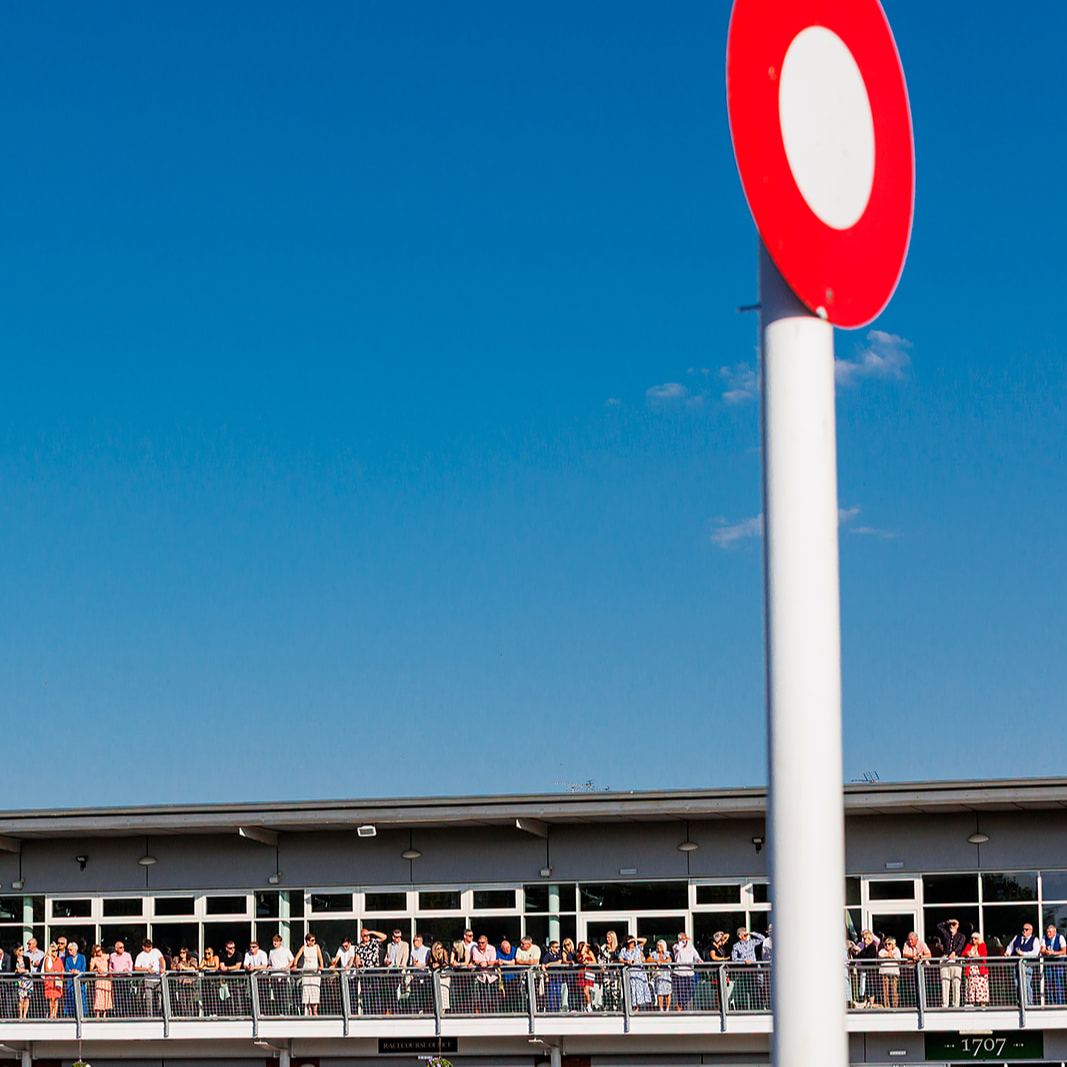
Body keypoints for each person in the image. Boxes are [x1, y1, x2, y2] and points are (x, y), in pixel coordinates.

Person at [1005, 923, 1042, 1006]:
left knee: (1026, 984)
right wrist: (1007, 953)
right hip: (1016, 965)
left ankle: (1028, 1003)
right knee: (1017, 985)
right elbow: (1010, 947)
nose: (1024, 931)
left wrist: (1024, 954)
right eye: (1023, 929)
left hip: (1027, 966)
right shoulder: (1017, 938)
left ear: (1031, 931)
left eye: (1026, 929)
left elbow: (1035, 953)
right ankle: (1020, 1003)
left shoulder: (1034, 940)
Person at [731, 927, 766, 1010]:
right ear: (740, 936)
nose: (746, 936)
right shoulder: (736, 946)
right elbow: (734, 959)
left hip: (753, 967)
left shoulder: (751, 942)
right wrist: (743, 960)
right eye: (744, 934)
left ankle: (757, 1008)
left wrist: (751, 933)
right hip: (744, 968)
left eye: (746, 934)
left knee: (756, 989)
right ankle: (745, 1008)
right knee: (745, 989)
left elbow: (762, 938)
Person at [936, 919, 969, 1008]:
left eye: (954, 924)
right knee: (945, 982)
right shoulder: (946, 934)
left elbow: (960, 945)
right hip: (945, 959)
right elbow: (939, 926)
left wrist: (954, 952)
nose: (951, 926)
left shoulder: (961, 936)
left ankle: (956, 1004)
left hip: (956, 959)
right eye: (950, 925)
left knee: (956, 982)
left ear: (957, 926)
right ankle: (945, 1004)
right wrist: (948, 921)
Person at [292, 933, 324, 1016]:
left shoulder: (316, 947)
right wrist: (295, 965)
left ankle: (315, 1010)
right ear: (307, 941)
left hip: (314, 971)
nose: (314, 942)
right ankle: (309, 1010)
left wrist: (321, 965)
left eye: (314, 940)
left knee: (315, 989)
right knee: (306, 990)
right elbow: (296, 958)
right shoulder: (304, 948)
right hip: (306, 971)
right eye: (312, 940)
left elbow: (320, 957)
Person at [619, 934, 651, 1010]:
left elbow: (644, 940)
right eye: (630, 942)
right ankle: (631, 1007)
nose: (632, 944)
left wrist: (635, 939)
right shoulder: (624, 950)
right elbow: (620, 959)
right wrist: (626, 962)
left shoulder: (637, 948)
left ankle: (638, 1007)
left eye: (633, 942)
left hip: (639, 972)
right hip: (630, 973)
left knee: (639, 990)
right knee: (631, 990)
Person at [134, 938, 165, 1016]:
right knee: (148, 999)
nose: (149, 949)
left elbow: (161, 959)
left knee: (159, 998)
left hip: (158, 979)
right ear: (143, 947)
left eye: (150, 946)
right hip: (148, 980)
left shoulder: (156, 951)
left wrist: (163, 968)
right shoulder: (140, 956)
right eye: (147, 947)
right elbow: (136, 968)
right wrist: (146, 969)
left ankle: (159, 1014)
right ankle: (149, 1016)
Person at [672, 932, 701, 1011]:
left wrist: (698, 959)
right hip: (679, 973)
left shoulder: (690, 946)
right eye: (684, 939)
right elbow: (678, 949)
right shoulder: (676, 946)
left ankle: (680, 1005)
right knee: (681, 993)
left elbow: (696, 955)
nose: (686, 941)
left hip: (690, 973)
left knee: (692, 988)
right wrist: (682, 942)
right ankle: (682, 1008)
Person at [268, 934, 295, 1017]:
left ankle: (284, 1012)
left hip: (283, 975)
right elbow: (270, 963)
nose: (275, 943)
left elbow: (292, 960)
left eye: (277, 941)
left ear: (280, 942)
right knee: (276, 995)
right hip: (274, 975)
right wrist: (269, 967)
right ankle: (277, 1012)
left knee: (283, 995)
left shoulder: (285, 950)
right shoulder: (271, 952)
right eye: (274, 941)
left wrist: (286, 967)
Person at [471, 933, 499, 1012]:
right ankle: (483, 1013)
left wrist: (486, 963)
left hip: (492, 977)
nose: (480, 944)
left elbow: (493, 961)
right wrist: (480, 963)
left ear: (486, 942)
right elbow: (476, 960)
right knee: (482, 997)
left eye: (482, 943)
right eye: (479, 943)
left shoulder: (492, 948)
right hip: (481, 977)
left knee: (493, 997)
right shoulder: (475, 949)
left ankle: (494, 1013)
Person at [1041, 924, 1066, 1006]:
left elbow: (1064, 951)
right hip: (1048, 965)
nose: (1048, 934)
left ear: (1055, 932)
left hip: (1058, 965)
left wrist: (1054, 953)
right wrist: (1046, 952)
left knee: (1057, 983)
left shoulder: (1060, 938)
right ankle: (1052, 1002)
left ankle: (1059, 1003)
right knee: (1049, 984)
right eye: (1047, 932)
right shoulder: (1044, 938)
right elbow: (1042, 950)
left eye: (1050, 932)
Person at [515, 935, 542, 1008]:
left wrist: (523, 961)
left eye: (523, 944)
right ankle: (527, 1009)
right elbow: (517, 961)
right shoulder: (519, 949)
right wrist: (528, 962)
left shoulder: (536, 949)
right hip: (524, 976)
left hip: (534, 976)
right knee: (525, 994)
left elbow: (534, 962)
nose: (521, 945)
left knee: (535, 994)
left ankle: (535, 1008)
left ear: (528, 944)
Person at [597, 931, 621, 1012]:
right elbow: (599, 958)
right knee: (606, 989)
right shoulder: (604, 947)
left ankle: (616, 1007)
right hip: (607, 972)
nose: (607, 939)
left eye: (609, 937)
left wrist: (615, 962)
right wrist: (602, 966)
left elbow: (620, 958)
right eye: (607, 937)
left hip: (615, 972)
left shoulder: (618, 948)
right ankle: (606, 1007)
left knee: (615, 990)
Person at [963, 931, 989, 1006]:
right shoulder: (969, 946)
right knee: (971, 988)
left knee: (981, 988)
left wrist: (974, 956)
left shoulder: (982, 945)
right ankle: (972, 1004)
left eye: (975, 938)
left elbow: (983, 955)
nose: (973, 940)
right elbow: (963, 953)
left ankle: (982, 1006)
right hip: (971, 970)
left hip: (980, 970)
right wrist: (967, 954)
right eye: (972, 938)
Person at [109, 939, 134, 1017]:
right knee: (117, 997)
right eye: (120, 947)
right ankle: (118, 1013)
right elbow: (110, 966)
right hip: (116, 978)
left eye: (123, 947)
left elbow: (131, 965)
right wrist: (111, 970)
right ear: (116, 948)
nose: (122, 949)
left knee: (125, 996)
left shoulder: (127, 955)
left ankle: (126, 1013)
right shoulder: (112, 956)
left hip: (125, 978)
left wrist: (128, 970)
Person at [172, 947, 200, 1017]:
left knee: (190, 999)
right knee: (182, 1000)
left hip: (189, 982)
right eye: (180, 952)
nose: (182, 954)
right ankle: (183, 1015)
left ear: (187, 953)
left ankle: (190, 1015)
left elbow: (193, 968)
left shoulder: (192, 959)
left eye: (183, 952)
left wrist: (184, 968)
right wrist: (177, 968)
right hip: (180, 982)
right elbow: (172, 967)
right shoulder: (176, 959)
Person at [63, 940, 87, 1018]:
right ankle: (71, 1015)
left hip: (80, 982)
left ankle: (81, 1016)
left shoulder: (82, 957)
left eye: (71, 950)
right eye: (68, 950)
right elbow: (67, 969)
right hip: (71, 982)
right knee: (71, 999)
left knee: (81, 998)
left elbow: (83, 969)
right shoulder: (68, 959)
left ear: (75, 949)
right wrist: (71, 971)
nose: (69, 951)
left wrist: (78, 972)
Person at [648, 939, 672, 1011]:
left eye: (660, 946)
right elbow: (648, 959)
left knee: (668, 992)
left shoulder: (667, 953)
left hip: (666, 975)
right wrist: (656, 961)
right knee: (659, 992)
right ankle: (661, 1008)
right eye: (658, 945)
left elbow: (668, 960)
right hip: (658, 976)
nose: (658, 947)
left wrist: (661, 961)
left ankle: (667, 1008)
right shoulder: (654, 953)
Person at [410, 933, 432, 1014]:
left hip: (425, 975)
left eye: (414, 941)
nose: (413, 943)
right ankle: (415, 1011)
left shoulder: (427, 950)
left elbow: (429, 962)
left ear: (419, 941)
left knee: (425, 995)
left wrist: (421, 965)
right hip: (416, 975)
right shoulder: (413, 952)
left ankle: (427, 1011)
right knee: (415, 995)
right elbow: (411, 964)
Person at [878, 936, 901, 1008]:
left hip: (894, 973)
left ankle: (895, 1006)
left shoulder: (896, 950)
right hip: (884, 973)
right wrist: (889, 955)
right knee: (885, 991)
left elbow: (898, 958)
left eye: (889, 944)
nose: (887, 945)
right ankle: (886, 1006)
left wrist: (890, 956)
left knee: (894, 991)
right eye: (886, 944)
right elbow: (880, 955)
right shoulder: (882, 950)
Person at [89, 944, 112, 1018]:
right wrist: (96, 970)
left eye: (100, 949)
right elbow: (91, 969)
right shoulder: (94, 959)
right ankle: (98, 1014)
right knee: (99, 995)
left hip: (107, 978)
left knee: (106, 995)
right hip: (99, 979)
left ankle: (104, 1014)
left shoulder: (107, 956)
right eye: (98, 951)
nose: (100, 951)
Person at [542, 939, 565, 1012]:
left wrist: (550, 964)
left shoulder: (559, 954)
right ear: (551, 948)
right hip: (551, 977)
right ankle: (551, 1009)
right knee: (550, 994)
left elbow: (559, 962)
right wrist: (546, 975)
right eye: (556, 947)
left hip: (558, 976)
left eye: (558, 947)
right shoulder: (547, 955)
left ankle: (558, 1009)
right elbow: (543, 966)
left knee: (558, 993)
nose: (558, 949)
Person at [43, 943, 64, 1018]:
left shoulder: (59, 959)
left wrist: (60, 973)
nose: (55, 952)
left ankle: (55, 1014)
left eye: (56, 950)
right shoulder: (48, 959)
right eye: (53, 951)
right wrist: (54, 972)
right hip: (50, 980)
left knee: (56, 998)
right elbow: (46, 969)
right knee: (52, 998)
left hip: (57, 980)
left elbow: (62, 969)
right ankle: (51, 1013)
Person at [429, 941, 451, 1013]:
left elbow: (446, 962)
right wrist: (433, 965)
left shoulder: (444, 953)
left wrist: (439, 964)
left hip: (444, 976)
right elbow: (430, 963)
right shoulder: (432, 954)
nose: (440, 950)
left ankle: (443, 1012)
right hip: (436, 977)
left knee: (444, 995)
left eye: (441, 948)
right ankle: (438, 1011)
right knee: (437, 995)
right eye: (438, 948)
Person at [199, 947, 221, 1017]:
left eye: (209, 953)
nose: (207, 955)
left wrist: (207, 968)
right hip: (207, 980)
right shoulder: (204, 960)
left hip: (215, 980)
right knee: (207, 997)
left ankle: (215, 1012)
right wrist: (203, 965)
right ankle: (208, 1012)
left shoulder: (215, 958)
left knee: (215, 997)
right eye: (205, 953)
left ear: (212, 953)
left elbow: (216, 967)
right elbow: (199, 967)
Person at [15, 946, 32, 1019]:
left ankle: (25, 1014)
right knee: (21, 999)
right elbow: (12, 969)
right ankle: (20, 1015)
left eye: (23, 950)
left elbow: (29, 969)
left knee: (27, 998)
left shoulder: (26, 958)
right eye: (20, 950)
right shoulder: (15, 959)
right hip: (20, 981)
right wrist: (17, 971)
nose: (22, 951)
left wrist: (23, 970)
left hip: (27, 980)